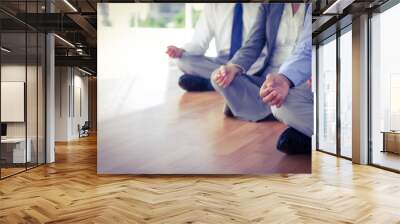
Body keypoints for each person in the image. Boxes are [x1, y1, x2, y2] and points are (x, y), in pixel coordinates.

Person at [211, 3, 312, 154]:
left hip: (303, 78)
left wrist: (317, 69)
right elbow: (252, 44)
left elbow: (308, 50)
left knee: (284, 103)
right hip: (271, 78)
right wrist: (234, 66)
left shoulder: (317, 5)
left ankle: (249, 106)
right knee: (219, 77)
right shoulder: (268, 6)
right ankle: (283, 111)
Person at [166, 3, 264, 92]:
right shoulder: (213, 5)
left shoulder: (262, 5)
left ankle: (210, 84)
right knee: (183, 60)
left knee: (263, 72)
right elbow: (199, 42)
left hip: (253, 62)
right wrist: (181, 51)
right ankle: (231, 82)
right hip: (222, 62)